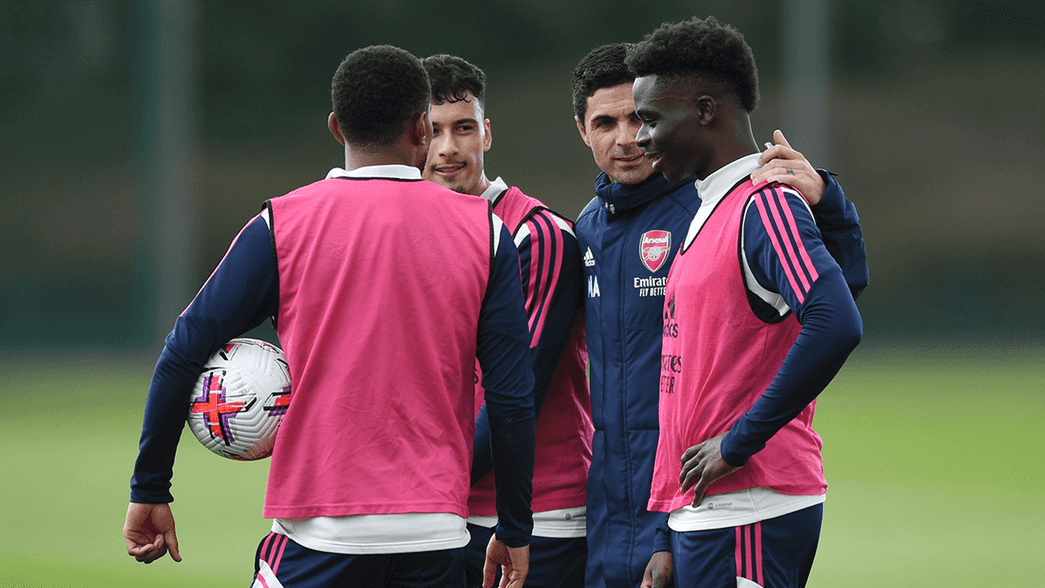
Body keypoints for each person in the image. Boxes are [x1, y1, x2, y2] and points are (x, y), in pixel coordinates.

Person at [123, 45, 536, 588]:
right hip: (436, 534)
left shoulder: (281, 225)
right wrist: (515, 525)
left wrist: (150, 487)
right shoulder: (486, 231)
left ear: (337, 127)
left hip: (319, 534)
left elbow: (183, 350)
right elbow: (511, 397)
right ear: (421, 127)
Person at [571, 43, 868, 588]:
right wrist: (668, 523)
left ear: (704, 111)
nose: (637, 138)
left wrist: (738, 442)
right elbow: (680, 382)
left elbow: (836, 313)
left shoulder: (761, 202)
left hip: (745, 501)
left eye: (647, 118)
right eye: (609, 122)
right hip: (680, 507)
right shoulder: (682, 212)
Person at [421, 54, 592, 588]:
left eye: (463, 128)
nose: (448, 149)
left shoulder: (537, 236)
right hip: (442, 511)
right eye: (432, 131)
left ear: (487, 134)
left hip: (540, 516)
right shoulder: (408, 235)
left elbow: (514, 398)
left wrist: (411, 478)